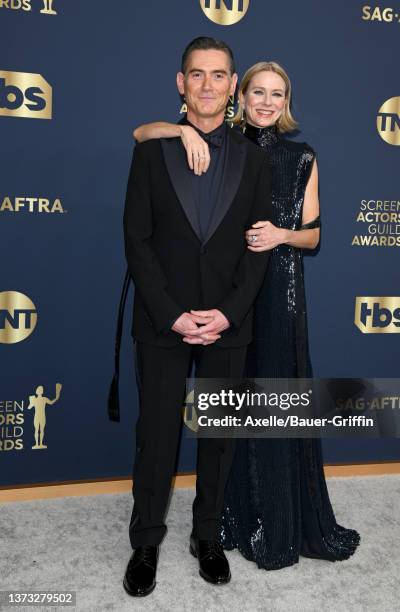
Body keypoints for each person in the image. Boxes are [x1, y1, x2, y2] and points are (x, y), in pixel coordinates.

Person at [133, 61, 360, 570]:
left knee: (255, 409)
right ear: (241, 93)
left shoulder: (301, 156)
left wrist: (281, 234)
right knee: (219, 417)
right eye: (258, 91)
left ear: (286, 102)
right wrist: (178, 128)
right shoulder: (214, 134)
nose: (265, 101)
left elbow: (315, 233)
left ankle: (267, 516)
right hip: (220, 289)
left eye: (276, 94)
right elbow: (144, 133)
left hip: (274, 289)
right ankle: (223, 519)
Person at [119, 38, 271, 596]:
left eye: (219, 75)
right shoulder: (150, 152)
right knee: (156, 436)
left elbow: (259, 247)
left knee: (220, 438)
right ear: (180, 83)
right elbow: (136, 241)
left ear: (233, 86)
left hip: (228, 322)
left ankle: (207, 534)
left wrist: (228, 314)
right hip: (164, 323)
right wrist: (171, 313)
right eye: (197, 75)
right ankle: (145, 542)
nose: (208, 85)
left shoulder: (257, 160)